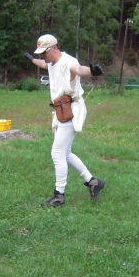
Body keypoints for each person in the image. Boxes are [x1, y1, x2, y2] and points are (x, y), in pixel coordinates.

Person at [24, 34, 105, 207]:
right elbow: (44, 64)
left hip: (71, 110)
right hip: (62, 110)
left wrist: (92, 71)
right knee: (65, 153)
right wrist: (32, 60)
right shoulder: (51, 62)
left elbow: (79, 69)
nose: (42, 56)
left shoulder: (68, 62)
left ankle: (59, 196)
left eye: (44, 52)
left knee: (57, 153)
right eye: (40, 53)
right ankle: (93, 182)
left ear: (55, 47)